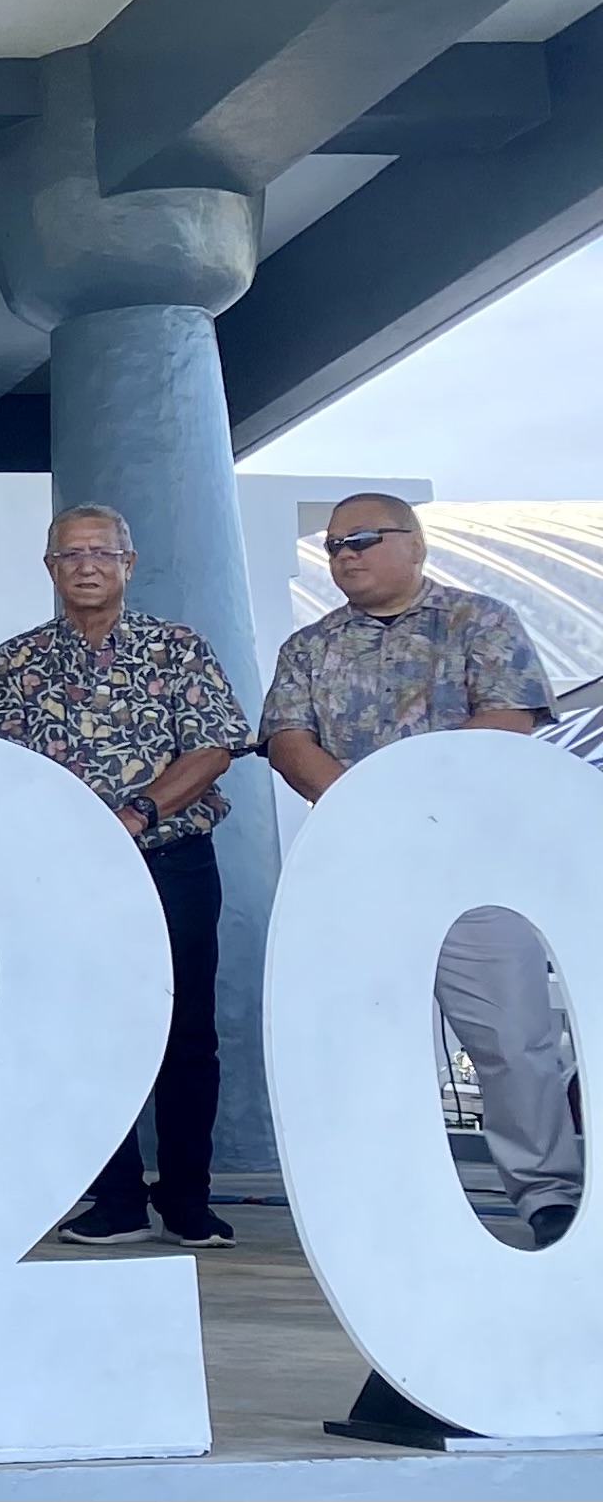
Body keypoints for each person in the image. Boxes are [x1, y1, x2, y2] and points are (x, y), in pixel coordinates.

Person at [263, 492, 576, 1249]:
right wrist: (368, 807)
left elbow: (508, 720)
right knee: (362, 1038)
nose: (345, 555)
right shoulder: (309, 646)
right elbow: (287, 739)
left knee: (512, 1035)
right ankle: (381, 1198)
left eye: (362, 539)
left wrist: (414, 802)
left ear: (415, 542)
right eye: (335, 544)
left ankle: (546, 1195)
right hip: (360, 869)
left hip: (476, 868)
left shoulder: (482, 621)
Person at [0, 503, 251, 1248]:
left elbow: (215, 748)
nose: (87, 565)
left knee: (185, 1030)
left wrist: (135, 813)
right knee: (82, 1032)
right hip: (61, 875)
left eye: (102, 552)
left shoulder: (176, 648)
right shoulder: (15, 660)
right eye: (71, 554)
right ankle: (117, 1196)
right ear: (50, 568)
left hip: (170, 862)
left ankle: (189, 1197)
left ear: (129, 563)